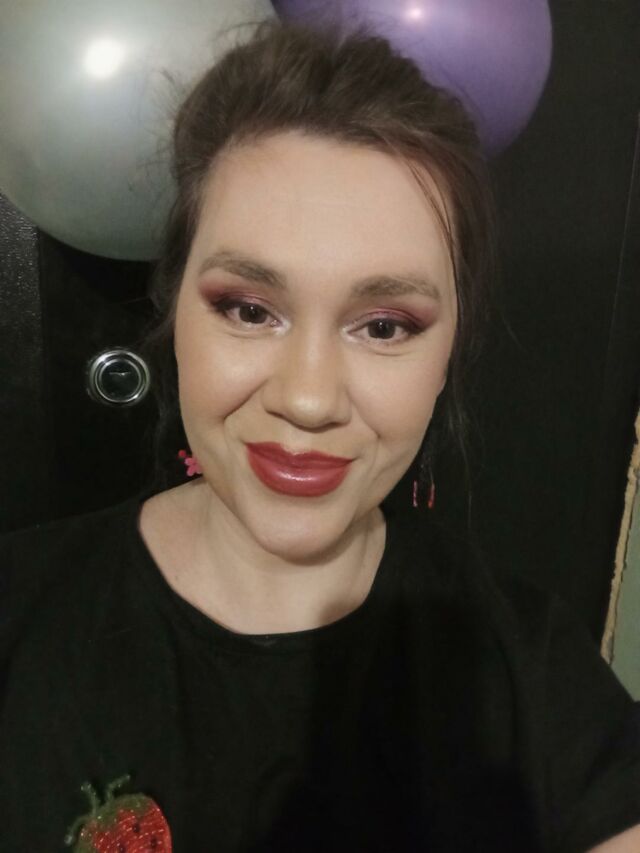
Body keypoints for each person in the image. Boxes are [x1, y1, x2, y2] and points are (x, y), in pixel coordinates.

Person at [1, 18, 639, 853]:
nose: (307, 400)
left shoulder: (535, 684)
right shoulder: (19, 614)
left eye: (384, 326)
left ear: (448, 355)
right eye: (248, 309)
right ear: (174, 311)